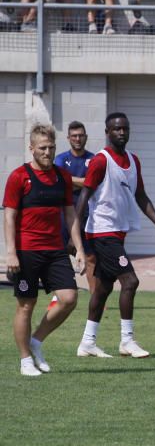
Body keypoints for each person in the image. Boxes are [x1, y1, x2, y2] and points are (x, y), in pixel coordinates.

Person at [75, 113, 155, 359]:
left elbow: (141, 195)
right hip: (101, 232)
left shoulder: (133, 160)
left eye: (125, 129)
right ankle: (127, 341)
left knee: (103, 288)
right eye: (116, 129)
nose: (121, 133)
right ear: (107, 132)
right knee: (130, 281)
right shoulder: (100, 161)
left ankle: (87, 343)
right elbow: (84, 195)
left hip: (117, 233)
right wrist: (74, 233)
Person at [4, 124, 85, 376]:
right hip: (27, 251)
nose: (47, 152)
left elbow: (70, 215)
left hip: (55, 251)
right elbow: (9, 217)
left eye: (51, 147)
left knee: (69, 298)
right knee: (26, 306)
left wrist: (79, 248)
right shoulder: (19, 176)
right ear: (31, 148)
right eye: (42, 148)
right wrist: (11, 252)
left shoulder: (62, 177)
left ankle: (36, 342)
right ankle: (25, 360)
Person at [54, 121, 96, 292]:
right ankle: (59, 295)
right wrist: (85, 181)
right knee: (60, 256)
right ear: (69, 138)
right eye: (74, 136)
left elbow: (96, 184)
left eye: (80, 135)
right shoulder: (61, 159)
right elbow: (60, 179)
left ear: (85, 137)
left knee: (91, 258)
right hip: (65, 216)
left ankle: (96, 299)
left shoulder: (93, 159)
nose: (78, 139)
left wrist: (71, 180)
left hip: (87, 216)